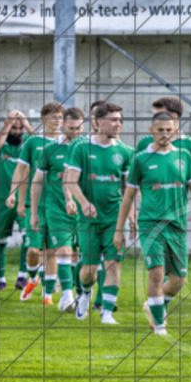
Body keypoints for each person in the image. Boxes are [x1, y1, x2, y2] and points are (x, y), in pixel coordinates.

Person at [115, 111, 191, 336]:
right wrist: (119, 229)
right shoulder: (141, 159)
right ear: (151, 131)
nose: (164, 135)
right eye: (160, 130)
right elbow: (129, 196)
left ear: (175, 132)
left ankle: (153, 305)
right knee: (156, 273)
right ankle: (159, 325)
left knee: (179, 280)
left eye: (169, 131)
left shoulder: (184, 157)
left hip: (177, 226)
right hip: (151, 224)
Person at [63, 102, 135, 323]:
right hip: (89, 218)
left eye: (120, 120)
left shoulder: (125, 151)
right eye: (113, 119)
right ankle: (84, 291)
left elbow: (129, 188)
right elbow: (70, 180)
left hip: (114, 216)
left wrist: (132, 213)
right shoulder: (81, 147)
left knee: (113, 263)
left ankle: (106, 312)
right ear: (99, 122)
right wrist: (83, 202)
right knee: (90, 269)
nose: (118, 124)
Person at [29, 107, 85, 313]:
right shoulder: (50, 149)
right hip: (56, 209)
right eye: (71, 128)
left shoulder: (88, 149)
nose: (75, 132)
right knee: (63, 250)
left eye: (79, 128)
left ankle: (82, 293)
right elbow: (37, 182)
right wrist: (34, 213)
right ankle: (67, 296)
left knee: (80, 254)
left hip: (84, 210)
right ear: (63, 125)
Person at [8, 102, 64, 304]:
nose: (57, 122)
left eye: (59, 118)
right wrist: (15, 196)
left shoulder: (68, 143)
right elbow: (21, 171)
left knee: (51, 252)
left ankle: (47, 296)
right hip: (36, 205)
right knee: (33, 251)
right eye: (53, 117)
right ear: (43, 119)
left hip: (58, 207)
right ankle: (33, 278)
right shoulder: (33, 143)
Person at [0, 109, 36, 290]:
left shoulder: (29, 144)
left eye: (19, 127)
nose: (17, 131)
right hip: (0, 197)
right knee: (0, 240)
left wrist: (26, 123)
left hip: (25, 198)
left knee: (28, 237)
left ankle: (22, 276)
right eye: (14, 127)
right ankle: (0, 279)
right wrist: (8, 124)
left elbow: (45, 145)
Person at [136, 95, 191, 196]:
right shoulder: (145, 142)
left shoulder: (190, 145)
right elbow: (133, 178)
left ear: (174, 117)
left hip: (178, 209)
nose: (155, 119)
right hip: (149, 209)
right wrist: (140, 197)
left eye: (159, 115)